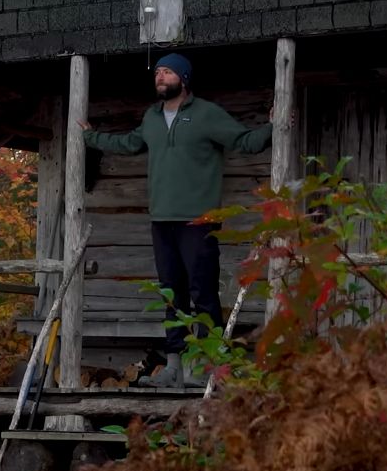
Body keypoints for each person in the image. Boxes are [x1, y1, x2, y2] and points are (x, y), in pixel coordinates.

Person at [80, 53, 280, 388]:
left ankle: (208, 366)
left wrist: (274, 126)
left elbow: (244, 141)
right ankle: (174, 366)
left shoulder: (206, 114)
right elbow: (129, 143)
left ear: (183, 79)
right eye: (157, 72)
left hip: (198, 221)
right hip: (162, 220)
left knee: (203, 293)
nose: (159, 77)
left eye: (167, 72)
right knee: (171, 294)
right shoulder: (153, 117)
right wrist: (91, 137)